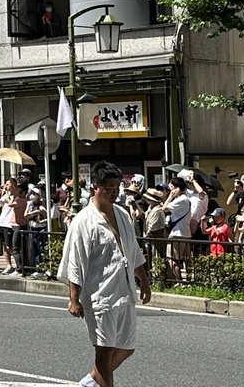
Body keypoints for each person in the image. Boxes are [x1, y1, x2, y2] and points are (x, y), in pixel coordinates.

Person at [59, 161, 151, 387]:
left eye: (117, 188)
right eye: (108, 188)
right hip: (100, 296)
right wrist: (74, 299)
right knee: (104, 351)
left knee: (127, 347)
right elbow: (75, 262)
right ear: (94, 188)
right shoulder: (83, 221)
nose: (113, 193)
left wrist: (144, 281)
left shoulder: (122, 214)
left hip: (124, 290)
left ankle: (90, 383)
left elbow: (133, 250)